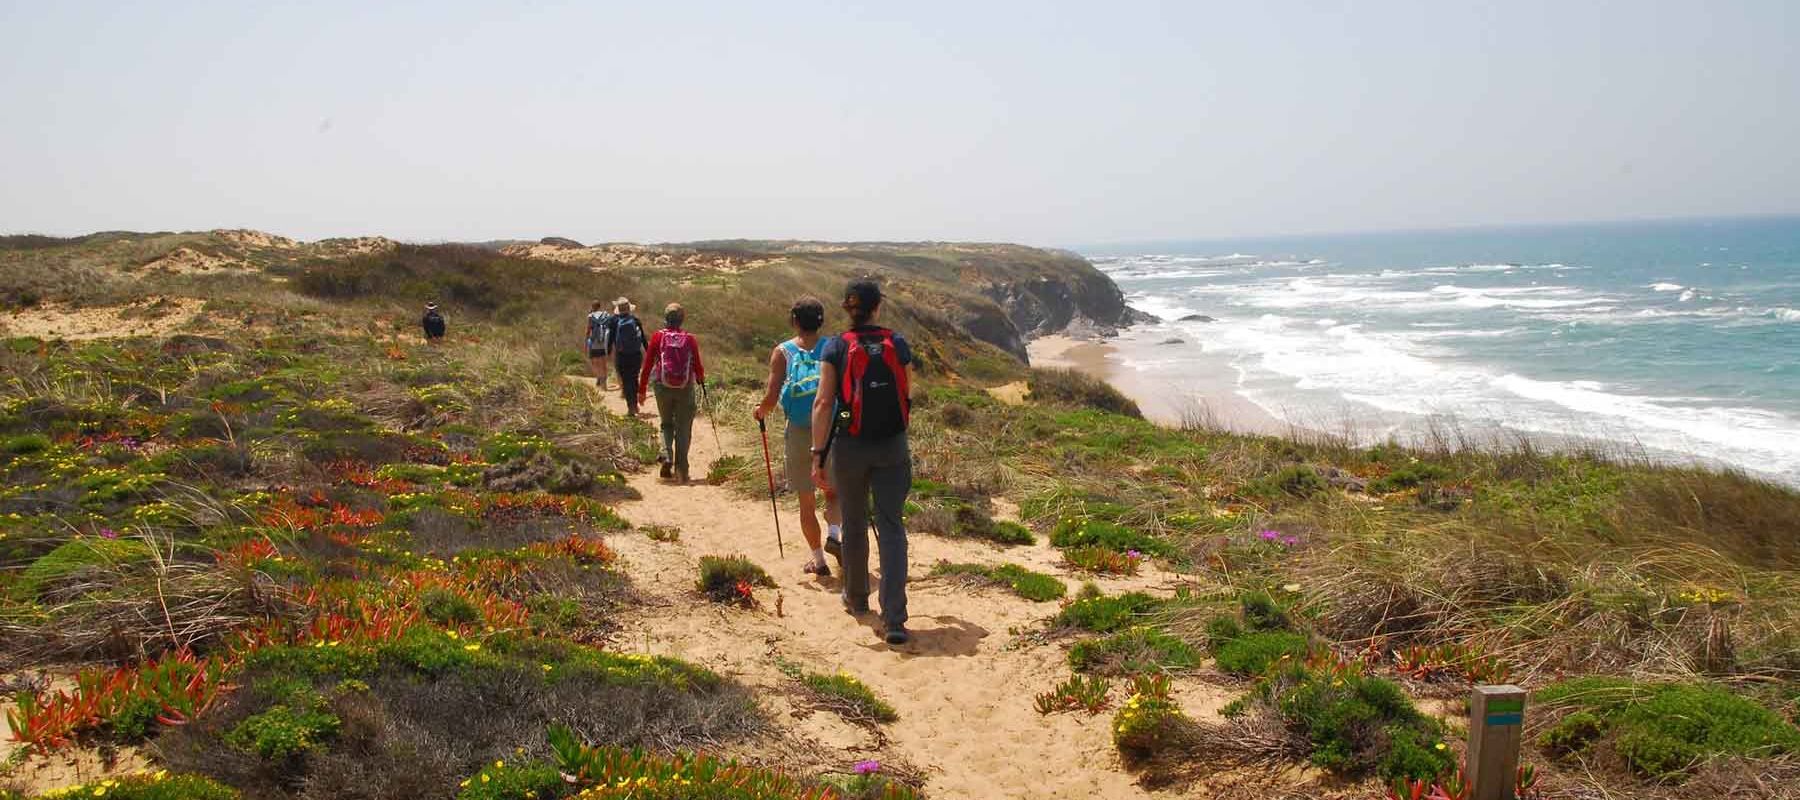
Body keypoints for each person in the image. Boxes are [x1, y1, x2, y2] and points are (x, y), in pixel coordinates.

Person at [811, 280, 915, 645]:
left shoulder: (835, 346)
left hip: (850, 446)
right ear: (877, 307)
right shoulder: (897, 343)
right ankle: (896, 619)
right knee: (891, 528)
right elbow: (907, 393)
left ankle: (857, 600)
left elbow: (824, 403)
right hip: (892, 445)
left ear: (846, 308)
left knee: (854, 523)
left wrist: (817, 455)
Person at [754, 297, 841, 577]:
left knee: (806, 499)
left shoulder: (783, 351)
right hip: (831, 428)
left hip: (799, 431)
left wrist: (760, 412)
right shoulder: (834, 347)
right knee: (833, 492)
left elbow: (771, 395)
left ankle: (819, 561)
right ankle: (835, 534)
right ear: (821, 320)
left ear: (794, 320)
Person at [638, 302, 705, 482]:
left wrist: (642, 390)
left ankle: (666, 454)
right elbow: (697, 364)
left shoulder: (658, 337)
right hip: (685, 387)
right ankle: (682, 471)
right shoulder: (689, 339)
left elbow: (647, 366)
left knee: (666, 424)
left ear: (665, 318)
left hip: (662, 386)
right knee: (684, 429)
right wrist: (700, 378)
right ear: (681, 319)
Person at [609, 298, 648, 416]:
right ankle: (635, 405)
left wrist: (608, 350)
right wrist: (648, 351)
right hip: (636, 355)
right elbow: (643, 339)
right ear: (629, 309)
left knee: (626, 381)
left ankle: (630, 407)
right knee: (634, 378)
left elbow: (610, 339)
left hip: (621, 356)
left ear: (618, 310)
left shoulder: (614, 321)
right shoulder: (635, 320)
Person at [584, 300, 615, 389]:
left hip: (594, 343)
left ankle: (600, 379)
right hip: (604, 343)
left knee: (596, 363)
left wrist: (585, 343)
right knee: (603, 363)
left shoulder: (590, 316)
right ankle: (604, 382)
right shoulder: (606, 315)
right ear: (599, 306)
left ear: (592, 307)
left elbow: (588, 330)